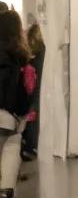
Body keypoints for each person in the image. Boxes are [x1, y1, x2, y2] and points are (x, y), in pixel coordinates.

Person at [0, 10, 33, 198]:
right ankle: (5, 194)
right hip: (6, 115)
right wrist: (21, 116)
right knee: (12, 147)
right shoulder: (19, 57)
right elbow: (22, 94)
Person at [22, 21, 45, 161]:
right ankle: (32, 145)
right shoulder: (43, 53)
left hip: (32, 92)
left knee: (32, 115)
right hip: (38, 91)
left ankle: (30, 145)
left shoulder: (32, 58)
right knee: (34, 114)